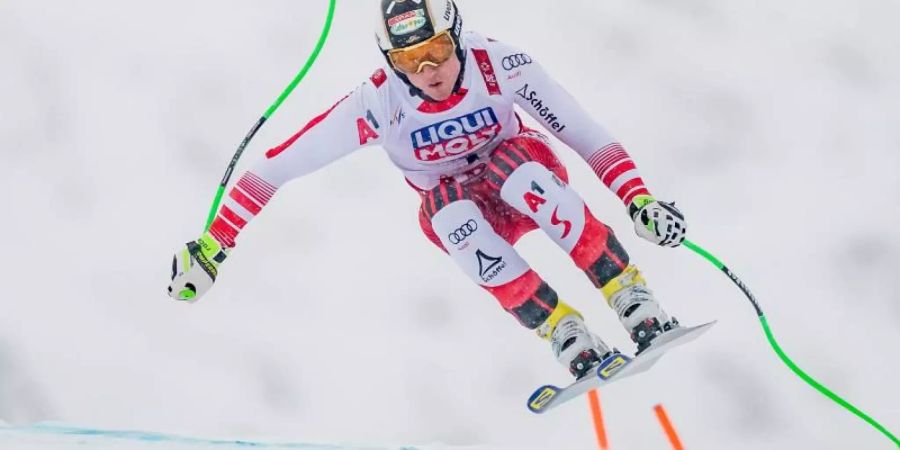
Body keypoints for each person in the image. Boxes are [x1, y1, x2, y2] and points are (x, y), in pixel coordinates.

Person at [168, 0, 688, 380]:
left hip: (526, 177)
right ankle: (563, 330)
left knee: (514, 168)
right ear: (389, 61)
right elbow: (274, 169)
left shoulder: (500, 65)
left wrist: (637, 199)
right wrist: (215, 246)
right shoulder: (378, 103)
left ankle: (631, 297)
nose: (428, 71)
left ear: (457, 36)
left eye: (437, 50)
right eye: (409, 60)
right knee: (442, 210)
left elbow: (584, 134)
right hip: (471, 213)